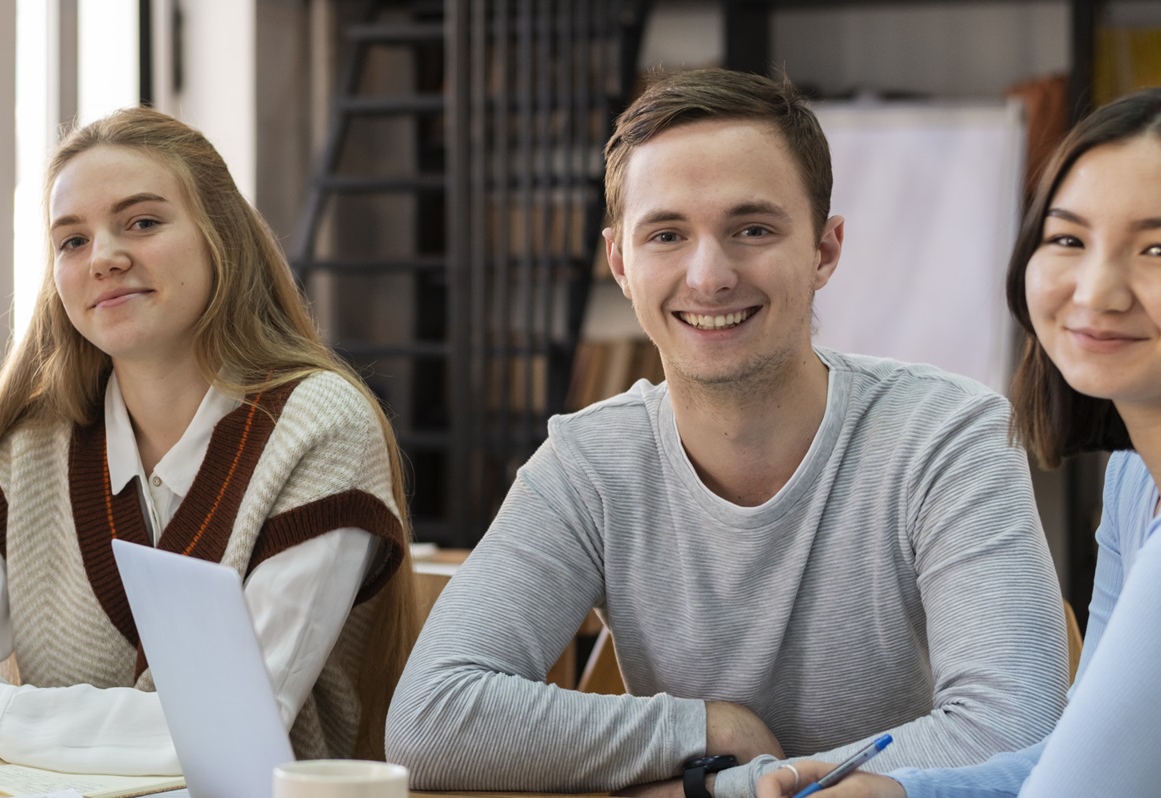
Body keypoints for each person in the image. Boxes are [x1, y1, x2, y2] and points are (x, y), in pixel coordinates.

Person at [385, 67, 1068, 798]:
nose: (708, 276)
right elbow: (430, 720)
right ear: (620, 263)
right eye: (667, 235)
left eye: (752, 230)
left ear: (824, 250)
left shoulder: (948, 436)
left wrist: (727, 789)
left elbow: (1012, 730)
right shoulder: (589, 464)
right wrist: (706, 728)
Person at [758, 87, 1161, 798]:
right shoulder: (1142, 474)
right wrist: (900, 790)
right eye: (1068, 239)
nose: (1096, 291)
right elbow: (1078, 752)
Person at [0, 107, 416, 773]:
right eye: (72, 241)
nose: (104, 258)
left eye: (142, 222)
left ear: (220, 236)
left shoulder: (322, 426)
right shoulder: (33, 446)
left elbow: (231, 728)